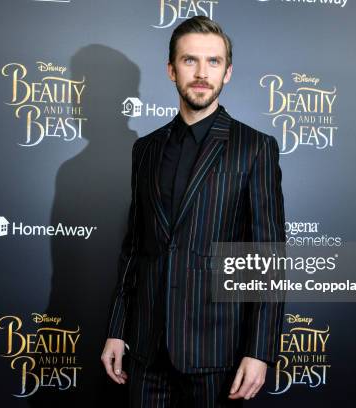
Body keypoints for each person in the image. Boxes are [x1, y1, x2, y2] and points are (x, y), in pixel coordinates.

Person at [101, 15, 286, 407]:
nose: (202, 73)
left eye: (213, 62)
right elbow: (134, 247)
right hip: (147, 353)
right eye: (190, 61)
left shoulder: (254, 147)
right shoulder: (146, 150)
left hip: (218, 355)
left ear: (228, 72)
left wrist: (260, 350)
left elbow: (268, 258)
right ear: (171, 70)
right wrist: (118, 329)